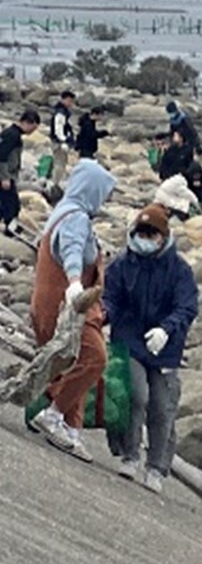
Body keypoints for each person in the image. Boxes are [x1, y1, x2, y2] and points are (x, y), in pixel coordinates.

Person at [102, 204, 200, 494]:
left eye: (151, 234)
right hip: (129, 339)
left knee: (162, 406)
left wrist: (167, 329)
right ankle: (129, 455)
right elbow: (111, 298)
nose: (145, 239)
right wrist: (102, 313)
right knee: (135, 394)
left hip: (164, 347)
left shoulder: (179, 270)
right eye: (141, 233)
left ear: (163, 236)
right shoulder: (123, 263)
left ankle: (156, 467)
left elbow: (187, 306)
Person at [25, 161, 117, 461]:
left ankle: (69, 427)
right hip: (69, 308)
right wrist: (75, 283)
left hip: (46, 303)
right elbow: (72, 250)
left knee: (67, 364)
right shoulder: (76, 218)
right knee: (94, 358)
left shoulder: (61, 211)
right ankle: (52, 416)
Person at [0, 108, 39, 237]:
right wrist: (4, 177)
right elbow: (2, 156)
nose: (31, 132)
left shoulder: (11, 133)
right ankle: (10, 230)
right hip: (6, 174)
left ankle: (8, 227)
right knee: (12, 205)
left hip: (9, 174)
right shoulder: (13, 135)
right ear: (27, 122)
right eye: (32, 129)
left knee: (6, 202)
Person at [48, 91, 75, 182]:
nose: (70, 103)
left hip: (58, 141)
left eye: (71, 101)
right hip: (59, 142)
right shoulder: (61, 113)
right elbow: (58, 128)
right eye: (69, 101)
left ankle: (55, 182)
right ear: (63, 99)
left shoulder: (62, 111)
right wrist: (63, 140)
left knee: (60, 163)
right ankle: (54, 184)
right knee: (59, 164)